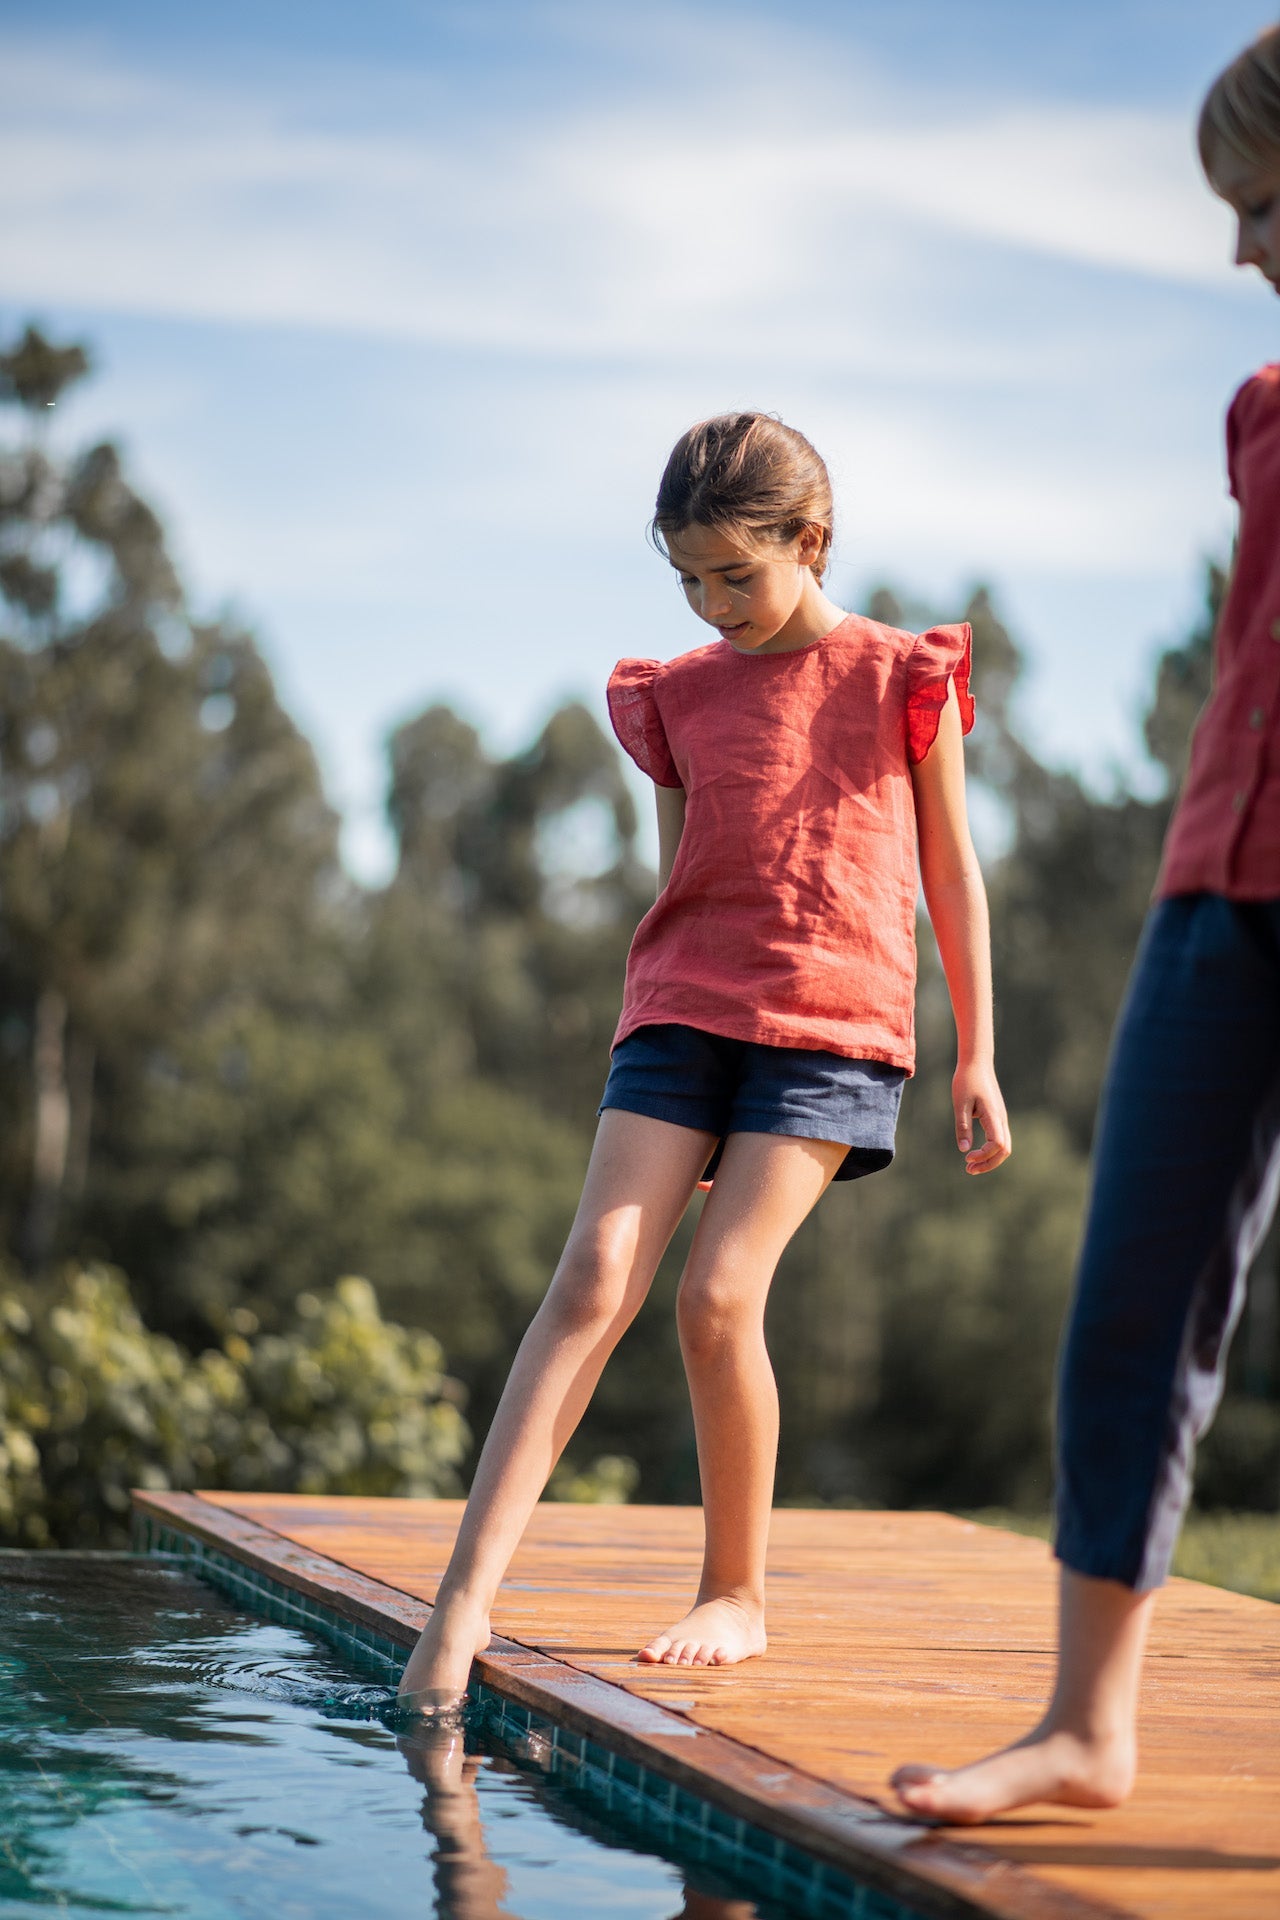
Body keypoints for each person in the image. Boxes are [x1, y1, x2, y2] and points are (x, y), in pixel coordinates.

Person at [398, 410, 1010, 1711]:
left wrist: (978, 1058)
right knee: (595, 1274)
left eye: (738, 572)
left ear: (813, 540)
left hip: (833, 1028)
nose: (712, 602)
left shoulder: (902, 675)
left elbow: (951, 868)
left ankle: (737, 1589)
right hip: (682, 1011)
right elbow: (682, 869)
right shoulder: (671, 695)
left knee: (718, 1298)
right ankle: (461, 1606)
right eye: (688, 578)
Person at [891, 25, 1280, 1826]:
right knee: (1133, 1295)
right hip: (1213, 895)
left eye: (1262, 204)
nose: (1239, 249)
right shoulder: (1259, 411)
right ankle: (1086, 1725)